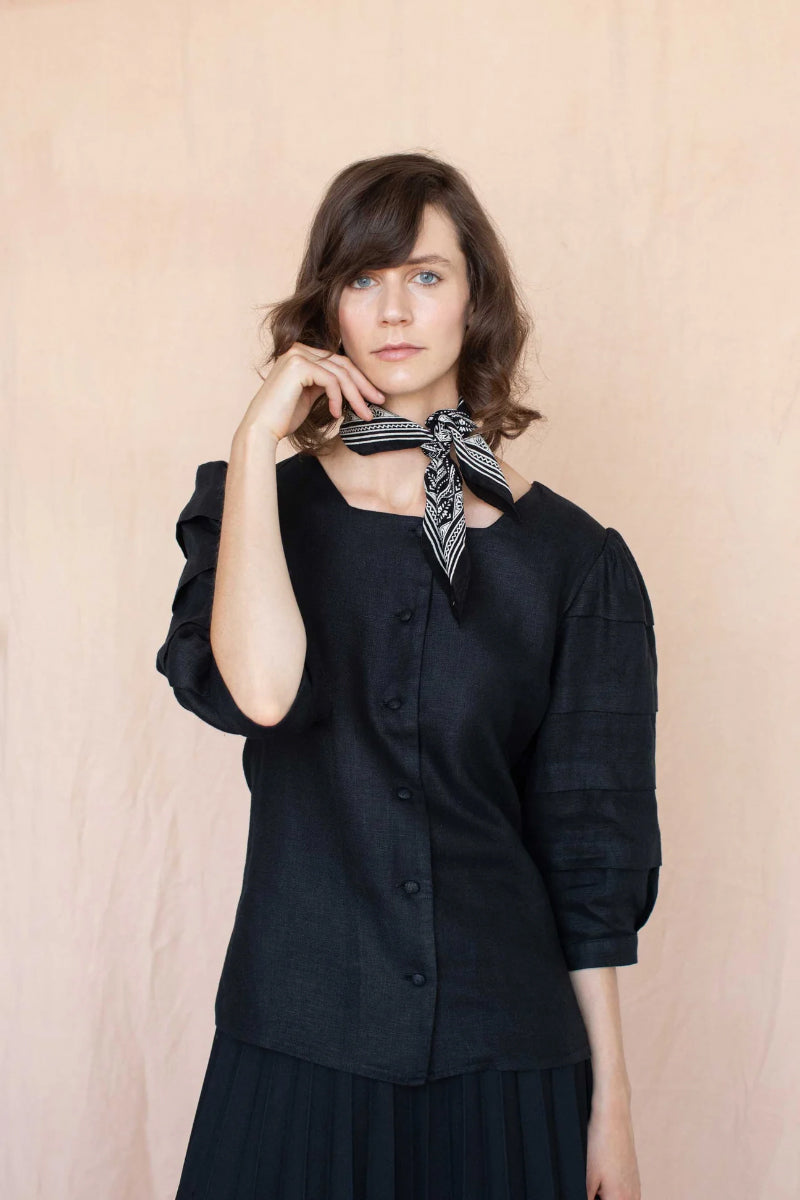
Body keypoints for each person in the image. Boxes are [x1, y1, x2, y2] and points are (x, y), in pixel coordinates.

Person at [157, 152, 662, 1200]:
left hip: (506, 1060)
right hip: (296, 1041)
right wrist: (254, 442)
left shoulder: (573, 562)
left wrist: (610, 1103)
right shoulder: (259, 514)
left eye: (426, 276)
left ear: (476, 298)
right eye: (363, 278)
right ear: (327, 310)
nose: (393, 310)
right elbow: (260, 693)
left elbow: (587, 852)